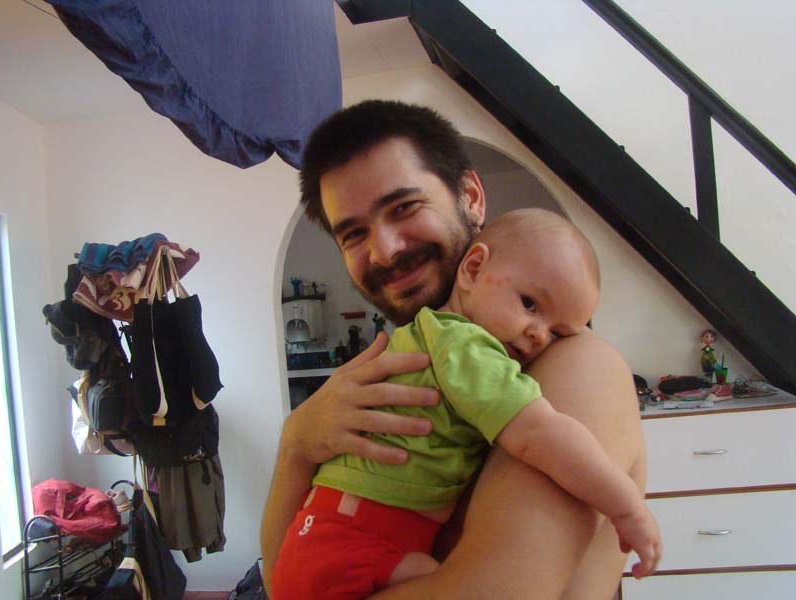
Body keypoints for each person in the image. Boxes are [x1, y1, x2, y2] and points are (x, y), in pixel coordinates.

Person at [262, 100, 651, 599]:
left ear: (470, 197)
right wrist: (296, 446)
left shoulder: (577, 365)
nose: (385, 249)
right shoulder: (406, 370)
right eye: (355, 234)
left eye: (404, 207)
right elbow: (282, 581)